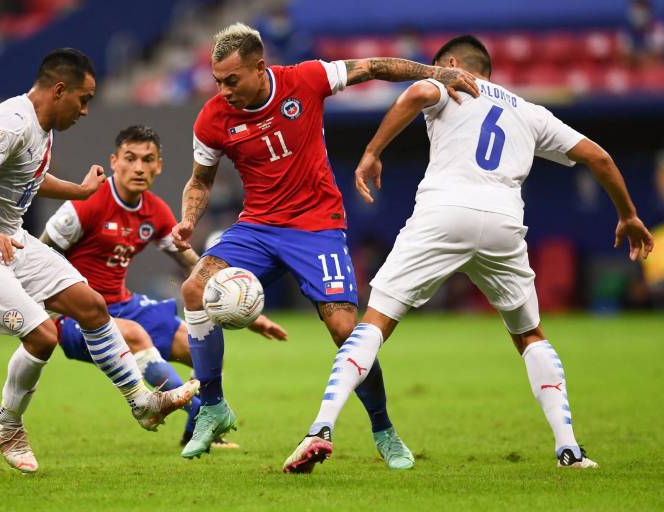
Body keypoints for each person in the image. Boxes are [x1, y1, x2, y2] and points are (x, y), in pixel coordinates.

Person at [283, 35, 655, 473]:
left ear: (454, 63)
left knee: (376, 321)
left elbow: (420, 89)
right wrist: (628, 215)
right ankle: (569, 448)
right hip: (503, 223)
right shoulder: (530, 111)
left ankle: (321, 427)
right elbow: (601, 158)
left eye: (436, 65)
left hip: (443, 213)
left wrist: (371, 152)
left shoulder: (451, 81)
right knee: (530, 335)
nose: (432, 71)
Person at [171, 22, 480, 464]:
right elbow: (200, 181)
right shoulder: (213, 117)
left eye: (232, 80)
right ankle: (214, 408)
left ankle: (384, 430)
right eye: (218, 80)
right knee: (194, 289)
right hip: (257, 227)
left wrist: (435, 72)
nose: (223, 91)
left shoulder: (306, 79)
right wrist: (188, 218)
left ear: (260, 68)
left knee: (344, 332)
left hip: (317, 227)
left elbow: (372, 66)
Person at [0, 49, 198, 474]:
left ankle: (143, 403)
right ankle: (7, 423)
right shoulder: (13, 121)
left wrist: (78, 192)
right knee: (43, 336)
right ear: (59, 90)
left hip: (12, 241)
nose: (85, 109)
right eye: (83, 98)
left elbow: (30, 180)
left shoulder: (42, 128)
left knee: (92, 306)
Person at [40, 125, 287, 447]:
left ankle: (194, 433)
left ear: (159, 166)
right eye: (131, 158)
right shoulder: (85, 204)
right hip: (76, 315)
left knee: (199, 344)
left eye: (148, 160)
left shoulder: (154, 211)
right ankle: (203, 415)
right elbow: (38, 258)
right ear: (114, 162)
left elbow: (195, 266)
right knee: (135, 335)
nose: (139, 167)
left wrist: (250, 316)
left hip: (122, 305)